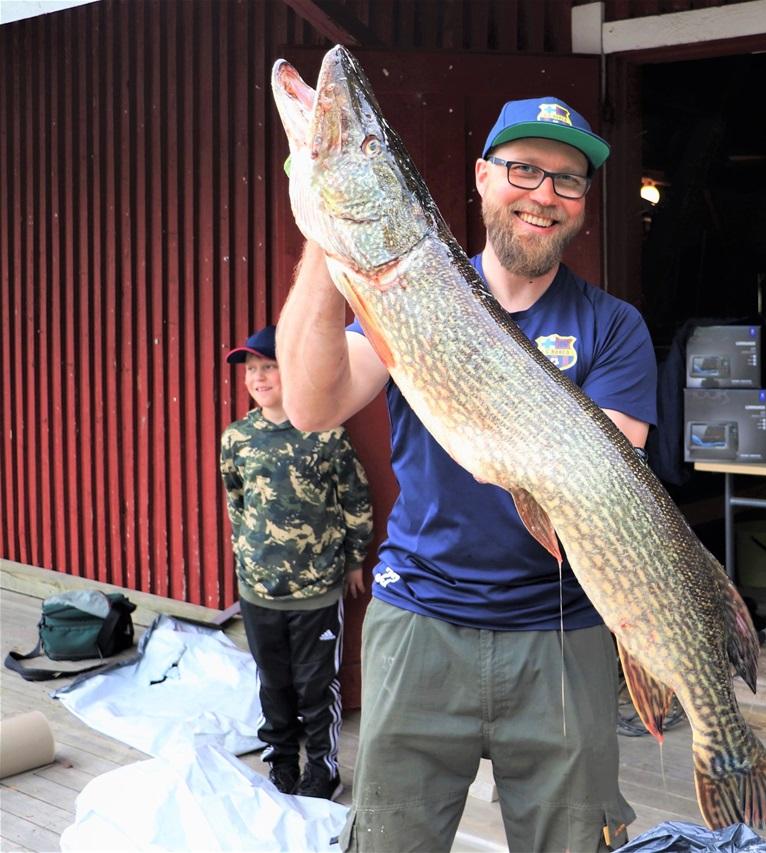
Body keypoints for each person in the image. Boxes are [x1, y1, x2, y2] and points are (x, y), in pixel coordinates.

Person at [275, 98, 657, 851]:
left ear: (583, 202)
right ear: (483, 177)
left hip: (561, 633)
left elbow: (604, 493)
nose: (544, 194)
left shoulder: (614, 327)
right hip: (419, 619)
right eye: (524, 170)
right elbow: (311, 407)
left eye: (568, 180)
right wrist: (328, 233)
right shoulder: (411, 290)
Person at [219, 324, 373, 800]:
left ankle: (322, 769)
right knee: (273, 684)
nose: (258, 377)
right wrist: (245, 555)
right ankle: (282, 761)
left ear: (292, 371)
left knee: (315, 686)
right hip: (258, 589)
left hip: (317, 590)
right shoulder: (238, 437)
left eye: (269, 366)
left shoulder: (326, 435)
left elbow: (355, 500)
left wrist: (354, 560)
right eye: (251, 369)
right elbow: (237, 501)